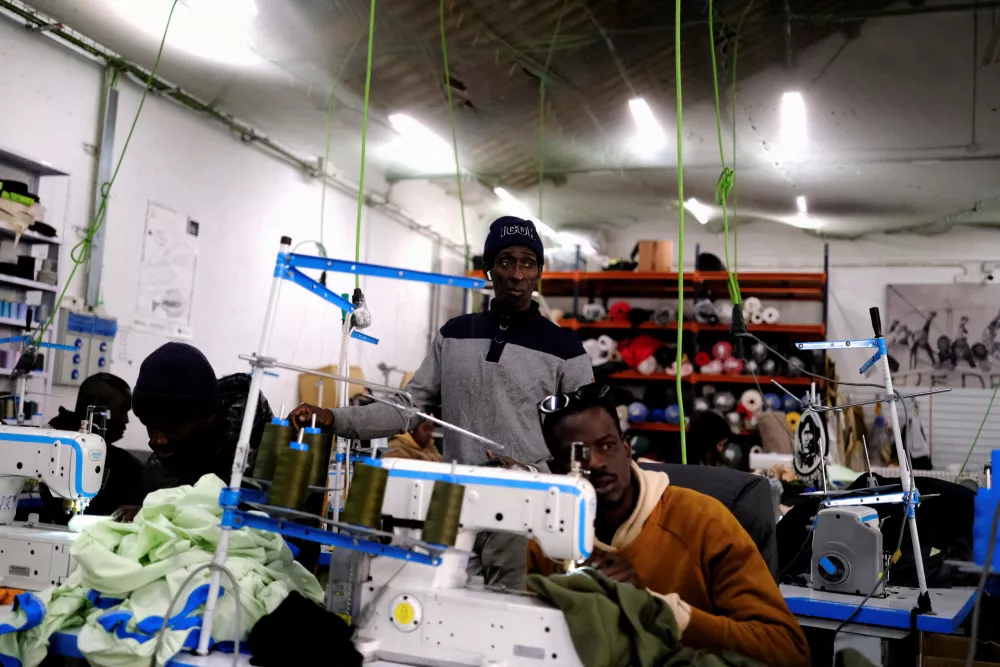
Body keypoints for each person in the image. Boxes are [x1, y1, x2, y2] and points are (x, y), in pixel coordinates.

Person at [289, 216, 594, 586]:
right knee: (440, 604)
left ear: (539, 273)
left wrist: (534, 474)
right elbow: (408, 408)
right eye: (506, 261)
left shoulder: (566, 350)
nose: (516, 274)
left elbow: (583, 443)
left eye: (528, 263)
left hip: (523, 508)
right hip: (453, 505)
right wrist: (333, 417)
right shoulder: (454, 334)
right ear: (488, 270)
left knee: (509, 613)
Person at [530, 384, 809, 667]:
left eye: (607, 445)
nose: (598, 462)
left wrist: (660, 611)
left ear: (627, 449)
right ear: (556, 470)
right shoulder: (545, 541)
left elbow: (787, 649)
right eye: (579, 454)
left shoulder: (704, 521)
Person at [114, 342, 273, 521]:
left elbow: (243, 525)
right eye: (149, 426)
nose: (156, 440)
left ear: (204, 418)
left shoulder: (254, 459)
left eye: (168, 427)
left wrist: (163, 514)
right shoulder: (163, 465)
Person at [38, 373, 142, 522]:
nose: (126, 420)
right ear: (99, 410)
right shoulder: (54, 440)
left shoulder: (125, 465)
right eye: (122, 410)